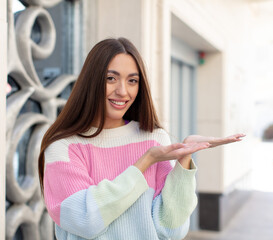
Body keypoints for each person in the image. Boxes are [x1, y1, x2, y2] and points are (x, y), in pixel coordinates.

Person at [38, 37, 245, 240]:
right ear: (91, 81)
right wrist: (145, 162)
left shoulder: (154, 138)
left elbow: (170, 230)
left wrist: (184, 161)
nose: (122, 91)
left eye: (132, 81)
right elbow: (84, 220)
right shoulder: (63, 147)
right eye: (111, 78)